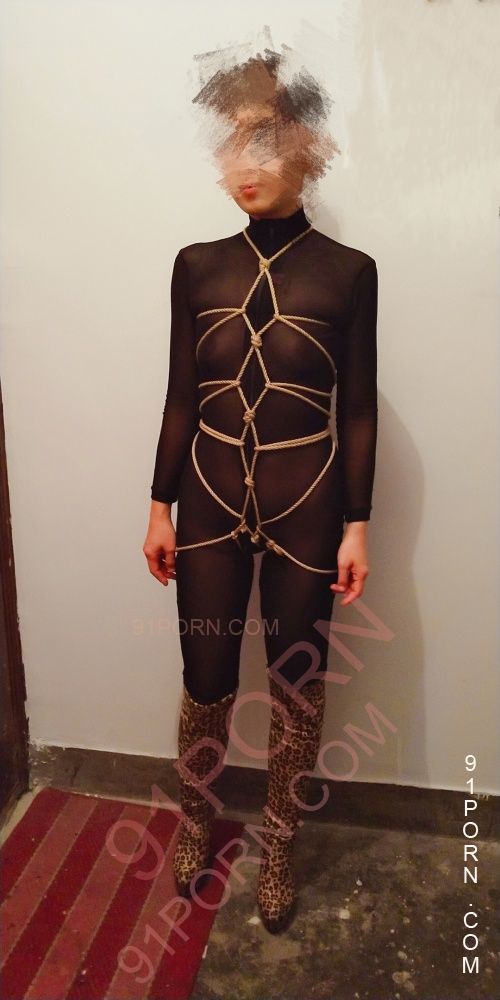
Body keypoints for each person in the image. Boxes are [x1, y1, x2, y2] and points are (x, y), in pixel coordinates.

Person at [143, 52, 378, 933]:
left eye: (267, 142)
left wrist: (357, 525)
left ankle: (278, 844)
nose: (245, 164)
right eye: (232, 143)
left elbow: (357, 409)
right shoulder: (196, 266)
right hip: (205, 506)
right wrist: (158, 504)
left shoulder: (348, 273)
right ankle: (196, 824)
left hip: (308, 509)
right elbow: (181, 394)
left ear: (307, 147)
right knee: (205, 676)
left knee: (295, 685)